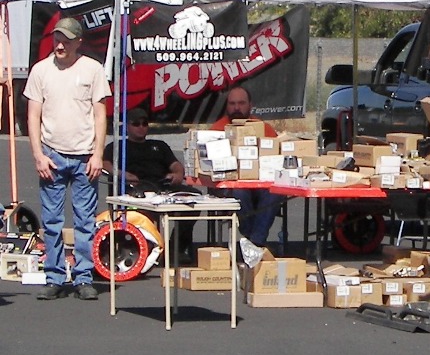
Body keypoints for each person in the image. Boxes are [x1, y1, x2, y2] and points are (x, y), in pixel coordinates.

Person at [24, 17, 111, 300]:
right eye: (57, 39)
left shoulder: (92, 69)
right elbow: (33, 116)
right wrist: (38, 155)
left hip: (85, 156)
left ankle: (84, 276)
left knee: (85, 220)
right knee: (52, 221)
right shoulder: (40, 71)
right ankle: (55, 276)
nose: (60, 45)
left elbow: (100, 114)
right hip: (52, 155)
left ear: (78, 42)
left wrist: (98, 154)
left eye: (66, 40)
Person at [102, 107, 197, 261]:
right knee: (143, 203)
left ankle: (176, 248)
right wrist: (122, 174)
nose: (141, 127)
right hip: (136, 187)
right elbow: (105, 165)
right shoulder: (117, 147)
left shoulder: (159, 146)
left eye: (144, 123)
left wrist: (177, 174)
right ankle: (147, 247)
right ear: (126, 126)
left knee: (194, 199)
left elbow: (176, 165)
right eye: (136, 123)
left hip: (163, 185)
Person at [211, 86, 283, 247]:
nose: (237, 108)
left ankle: (254, 242)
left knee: (275, 193)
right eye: (232, 103)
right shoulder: (216, 130)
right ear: (227, 106)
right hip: (229, 184)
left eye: (241, 103)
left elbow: (278, 158)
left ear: (250, 105)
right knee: (239, 193)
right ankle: (253, 240)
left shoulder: (263, 128)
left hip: (259, 184)